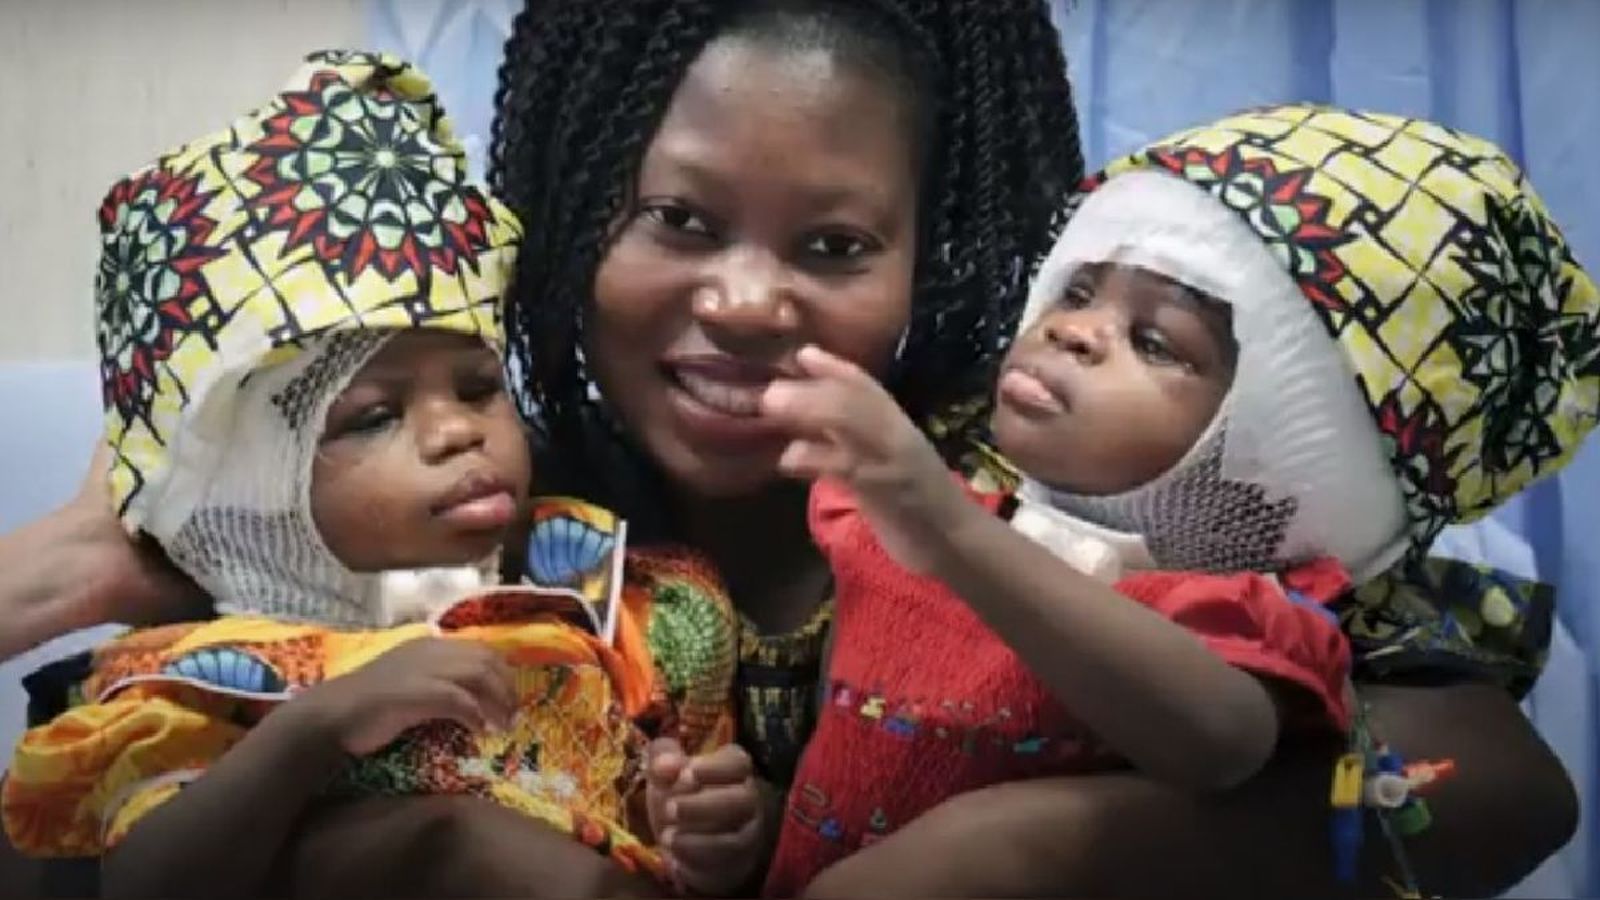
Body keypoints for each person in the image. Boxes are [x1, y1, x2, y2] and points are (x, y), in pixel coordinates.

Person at [0, 2, 1580, 897]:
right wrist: (72, 572)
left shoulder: (1045, 480)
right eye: (676, 220)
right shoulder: (452, 491)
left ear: (932, 255)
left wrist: (1043, 845)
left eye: (833, 244)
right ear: (573, 210)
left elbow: (1498, 793)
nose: (746, 301)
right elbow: (91, 857)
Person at [756, 103, 1600, 896]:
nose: (1072, 328)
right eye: (1078, 291)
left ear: (1297, 443)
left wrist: (1019, 845)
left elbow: (1230, 742)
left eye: (1156, 341)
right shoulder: (920, 491)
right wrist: (757, 825)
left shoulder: (1253, 613)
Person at [0, 51, 757, 899]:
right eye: (372, 417)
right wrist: (314, 731)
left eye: (478, 387)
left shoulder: (622, 602)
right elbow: (144, 886)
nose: (455, 431)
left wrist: (718, 828)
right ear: (258, 488)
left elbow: (710, 828)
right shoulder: (201, 681)